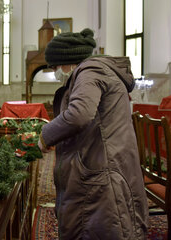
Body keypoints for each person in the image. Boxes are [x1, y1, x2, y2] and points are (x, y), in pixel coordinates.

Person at [38, 28, 148, 239]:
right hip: (104, 161)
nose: (55, 72)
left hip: (104, 170)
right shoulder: (95, 70)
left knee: (103, 226)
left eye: (54, 67)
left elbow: (79, 114)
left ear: (68, 60)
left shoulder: (90, 71)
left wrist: (45, 135)